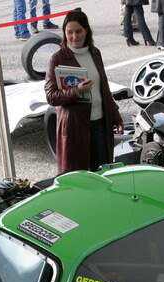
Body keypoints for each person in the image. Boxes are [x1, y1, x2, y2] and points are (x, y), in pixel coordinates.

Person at [45, 9, 123, 174]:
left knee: (102, 173)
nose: (74, 36)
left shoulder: (95, 53)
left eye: (78, 31)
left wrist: (115, 116)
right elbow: (51, 97)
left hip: (100, 123)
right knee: (78, 176)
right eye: (70, 32)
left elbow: (104, 88)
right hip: (74, 126)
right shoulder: (58, 58)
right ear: (64, 33)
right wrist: (77, 91)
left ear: (86, 31)